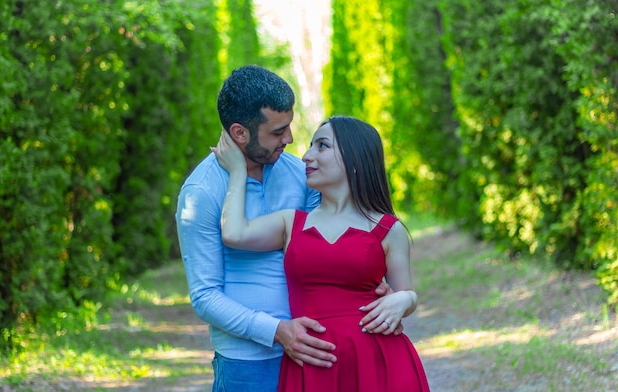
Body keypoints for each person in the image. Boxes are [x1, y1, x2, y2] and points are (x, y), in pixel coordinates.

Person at [175, 65, 395, 392]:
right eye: (278, 132)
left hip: (318, 348)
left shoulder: (300, 174)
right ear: (239, 133)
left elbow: (332, 247)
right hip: (248, 363)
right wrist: (277, 331)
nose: (290, 139)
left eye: (289, 127)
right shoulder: (202, 192)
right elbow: (205, 296)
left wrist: (379, 287)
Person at [213, 116, 430, 391]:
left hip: (378, 362)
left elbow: (406, 293)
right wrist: (237, 173)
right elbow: (234, 233)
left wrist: (404, 300)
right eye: (310, 146)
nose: (306, 156)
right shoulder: (291, 223)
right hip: (313, 365)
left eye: (322, 146)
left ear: (355, 158)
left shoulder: (389, 229)